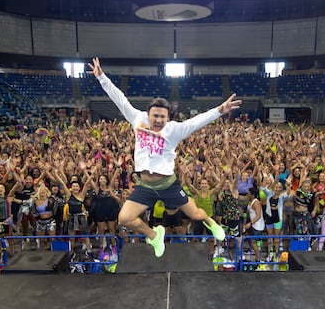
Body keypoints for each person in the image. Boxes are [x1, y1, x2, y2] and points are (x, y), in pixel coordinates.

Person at [88, 57, 241, 257]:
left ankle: (211, 223)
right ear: (148, 114)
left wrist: (220, 111)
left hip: (168, 184)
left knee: (195, 214)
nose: (158, 120)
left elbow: (197, 121)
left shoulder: (174, 130)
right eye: (155, 116)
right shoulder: (137, 119)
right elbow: (120, 99)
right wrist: (101, 77)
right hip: (144, 186)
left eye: (162, 117)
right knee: (124, 218)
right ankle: (154, 235)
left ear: (167, 117)